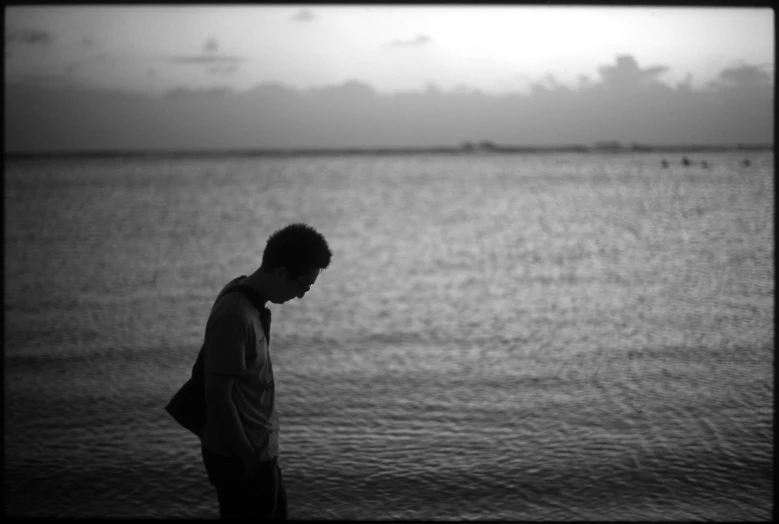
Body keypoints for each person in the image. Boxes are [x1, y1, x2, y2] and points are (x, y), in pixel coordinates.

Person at [199, 223, 332, 519]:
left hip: (256, 452)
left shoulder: (249, 301)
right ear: (282, 273)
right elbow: (218, 397)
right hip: (241, 457)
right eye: (303, 287)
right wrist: (249, 458)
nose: (300, 297)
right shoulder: (236, 315)